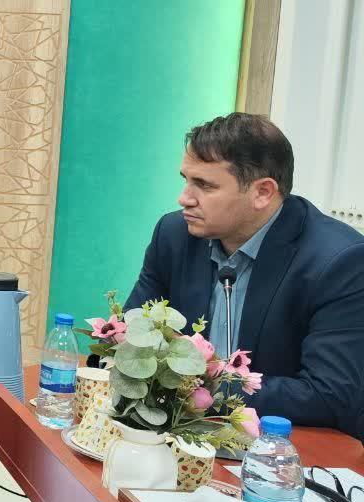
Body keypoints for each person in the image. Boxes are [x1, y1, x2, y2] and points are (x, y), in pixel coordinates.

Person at [126, 112, 364, 440]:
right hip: (178, 433)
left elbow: (329, 395)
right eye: (186, 180)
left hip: (283, 446)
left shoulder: (339, 261)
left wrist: (204, 387)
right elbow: (133, 335)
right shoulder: (174, 235)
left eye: (204, 185)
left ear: (262, 192)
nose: (184, 198)